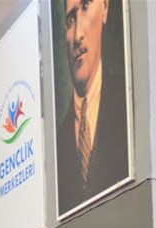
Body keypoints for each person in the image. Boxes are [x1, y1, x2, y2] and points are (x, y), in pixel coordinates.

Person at [55, 0, 129, 214]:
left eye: (86, 6)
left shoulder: (128, 103)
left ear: (104, 8)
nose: (77, 34)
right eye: (70, 21)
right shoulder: (58, 143)